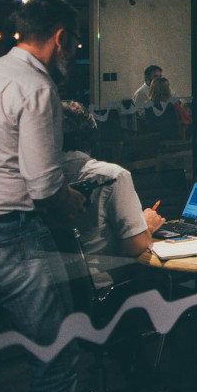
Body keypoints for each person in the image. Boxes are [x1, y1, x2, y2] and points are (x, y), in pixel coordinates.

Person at [0, 0, 87, 392]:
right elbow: (43, 185)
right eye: (74, 42)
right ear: (60, 38)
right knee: (58, 357)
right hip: (13, 235)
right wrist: (73, 202)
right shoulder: (35, 85)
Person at [60, 100, 166, 289]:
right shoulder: (110, 176)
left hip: (52, 291)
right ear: (92, 136)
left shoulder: (30, 178)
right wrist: (147, 225)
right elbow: (133, 245)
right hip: (104, 287)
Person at [140, 75, 188, 140]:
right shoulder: (170, 105)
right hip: (170, 136)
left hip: (155, 137)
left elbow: (150, 125)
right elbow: (174, 124)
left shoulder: (148, 105)